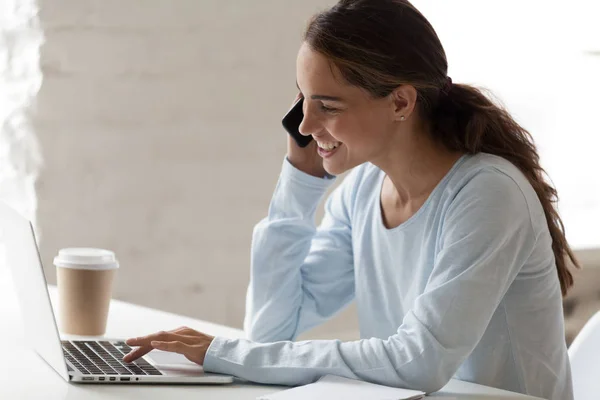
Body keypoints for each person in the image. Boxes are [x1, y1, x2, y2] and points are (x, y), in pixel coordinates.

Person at [122, 1, 577, 398]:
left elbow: (420, 361)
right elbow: (271, 330)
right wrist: (300, 182)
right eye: (302, 100)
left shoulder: (488, 194)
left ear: (400, 102)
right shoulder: (363, 191)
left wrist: (224, 352)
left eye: (328, 106)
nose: (303, 125)